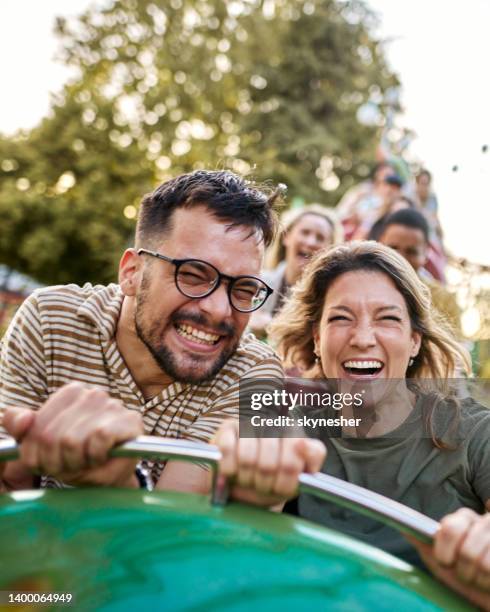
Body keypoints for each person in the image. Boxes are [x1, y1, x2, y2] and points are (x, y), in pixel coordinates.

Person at [0, 170, 322, 495]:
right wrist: (18, 467)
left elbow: (175, 525)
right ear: (131, 273)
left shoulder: (252, 370)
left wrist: (118, 479)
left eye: (243, 289)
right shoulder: (50, 317)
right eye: (194, 274)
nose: (220, 310)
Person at [214, 242, 490, 609]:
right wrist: (252, 496)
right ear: (317, 339)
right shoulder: (287, 429)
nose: (362, 338)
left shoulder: (473, 431)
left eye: (387, 318)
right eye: (341, 318)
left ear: (413, 342)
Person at [249, 204, 341, 338]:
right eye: (305, 232)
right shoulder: (257, 281)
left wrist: (270, 326)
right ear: (287, 237)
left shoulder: (328, 299)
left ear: (329, 250)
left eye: (320, 238)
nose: (310, 242)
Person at [375, 208, 461, 336]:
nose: (400, 259)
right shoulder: (358, 289)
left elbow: (456, 352)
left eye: (411, 252)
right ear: (379, 244)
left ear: (426, 253)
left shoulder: (443, 301)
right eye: (393, 248)